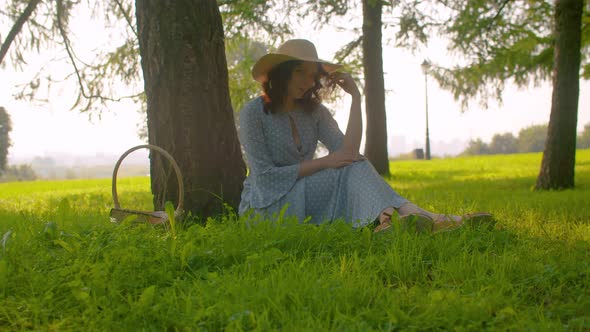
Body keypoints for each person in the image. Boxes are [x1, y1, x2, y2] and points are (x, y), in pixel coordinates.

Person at [237, 38, 491, 233]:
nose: (308, 80)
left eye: (313, 74)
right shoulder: (253, 113)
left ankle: (399, 221)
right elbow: (265, 178)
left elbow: (347, 153)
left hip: (306, 193)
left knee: (354, 163)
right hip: (267, 206)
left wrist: (356, 99)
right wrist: (326, 162)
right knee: (349, 166)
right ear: (282, 72)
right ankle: (427, 219)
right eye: (299, 72)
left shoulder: (314, 112)